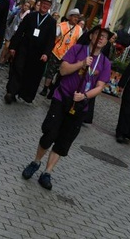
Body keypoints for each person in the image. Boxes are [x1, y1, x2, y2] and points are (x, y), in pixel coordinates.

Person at [20, 27, 112, 191]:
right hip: (62, 98)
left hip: (79, 105)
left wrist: (84, 96)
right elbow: (63, 70)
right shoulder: (77, 50)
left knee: (64, 140)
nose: (100, 38)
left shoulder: (105, 63)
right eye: (98, 34)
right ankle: (36, 162)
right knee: (50, 133)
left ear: (106, 42)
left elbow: (100, 87)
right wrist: (82, 63)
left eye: (104, 37)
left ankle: (47, 172)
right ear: (91, 36)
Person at [5, 0, 57, 104]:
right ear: (40, 4)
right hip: (24, 47)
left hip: (38, 53)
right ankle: (11, 92)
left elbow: (51, 40)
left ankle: (22, 93)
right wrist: (13, 46)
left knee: (29, 73)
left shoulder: (52, 22)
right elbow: (20, 31)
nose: (45, 6)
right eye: (43, 3)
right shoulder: (31, 16)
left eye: (47, 4)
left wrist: (46, 53)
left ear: (49, 7)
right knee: (18, 68)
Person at [39, 8, 83, 98]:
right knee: (51, 71)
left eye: (77, 17)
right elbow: (54, 37)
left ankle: (54, 90)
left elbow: (79, 42)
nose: (76, 19)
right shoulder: (61, 25)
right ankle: (45, 88)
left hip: (69, 55)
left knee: (61, 74)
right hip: (57, 52)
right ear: (70, 17)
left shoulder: (79, 29)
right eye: (75, 17)